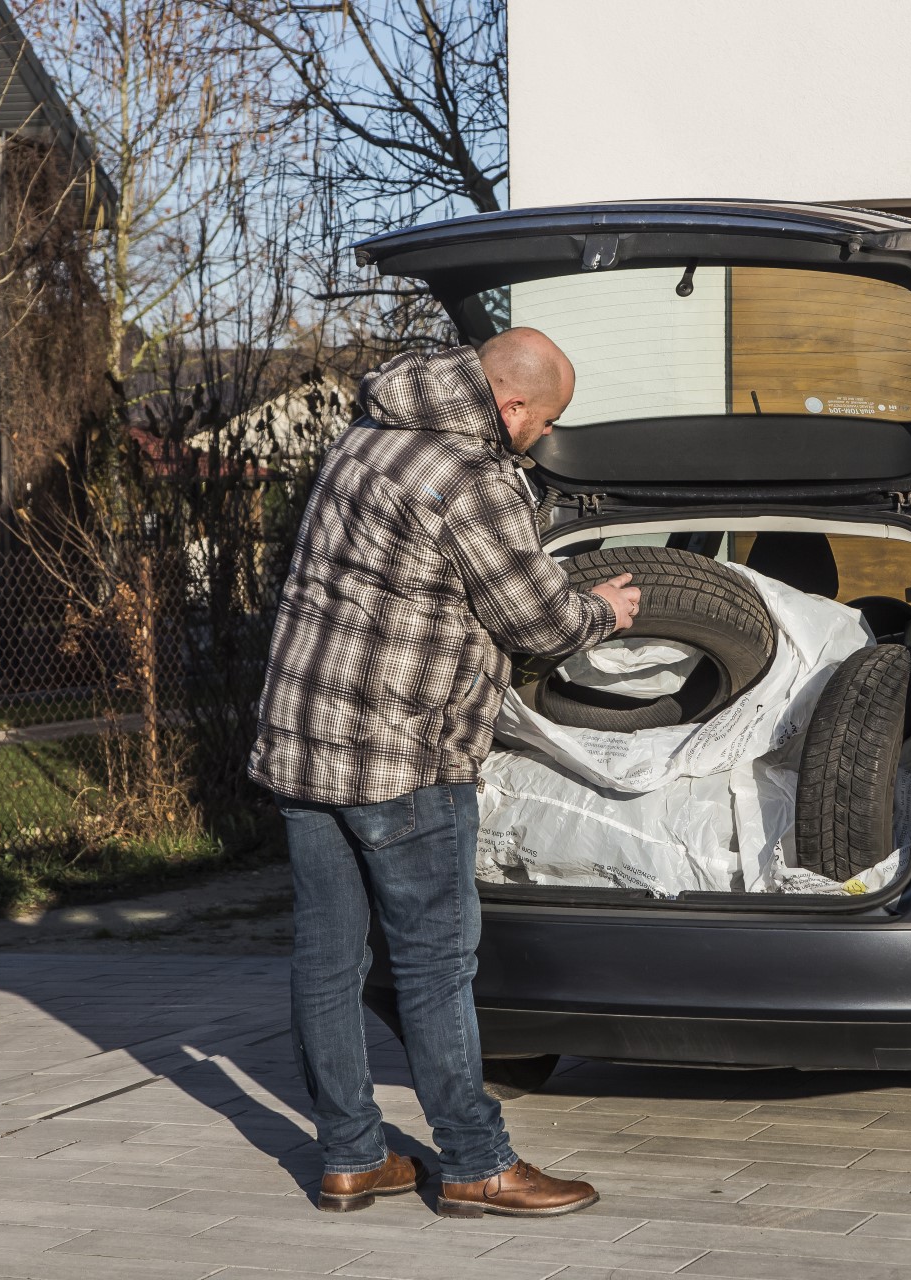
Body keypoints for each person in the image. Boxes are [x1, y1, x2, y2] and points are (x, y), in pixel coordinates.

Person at [249, 328, 640, 1217]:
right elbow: (538, 621)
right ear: (509, 406)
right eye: (542, 422)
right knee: (432, 968)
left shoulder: (367, 436)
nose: (541, 439)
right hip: (404, 757)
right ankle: (474, 1161)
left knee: (326, 962)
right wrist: (605, 611)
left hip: (303, 741)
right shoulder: (473, 476)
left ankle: (349, 1157)